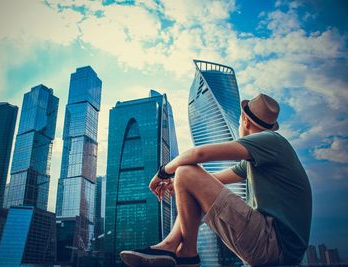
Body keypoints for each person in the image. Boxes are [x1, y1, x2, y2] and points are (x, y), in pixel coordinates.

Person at [120, 93, 312, 267]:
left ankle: (186, 254)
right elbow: (211, 180)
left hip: (272, 244)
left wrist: (163, 172)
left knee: (185, 170)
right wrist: (177, 182)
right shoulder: (259, 160)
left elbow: (199, 153)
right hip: (276, 250)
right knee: (185, 175)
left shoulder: (271, 140)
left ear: (245, 121)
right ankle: (172, 247)